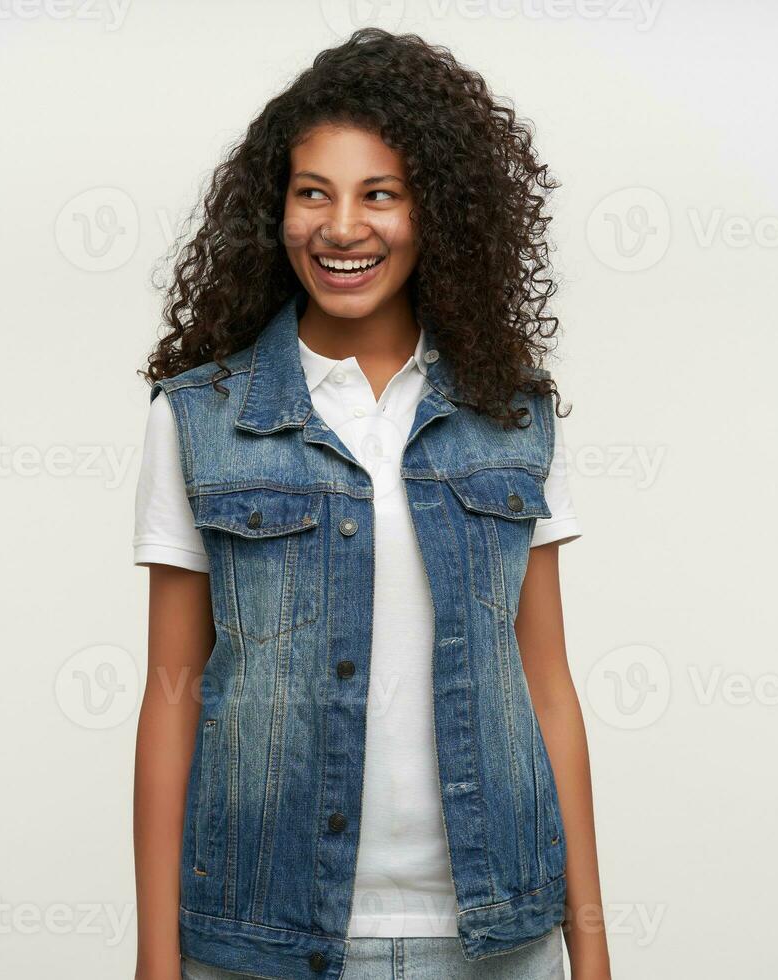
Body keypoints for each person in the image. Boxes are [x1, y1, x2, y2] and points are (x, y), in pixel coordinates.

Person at [130, 28, 612, 980]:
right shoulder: (200, 417)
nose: (341, 226)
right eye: (313, 193)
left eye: (378, 194)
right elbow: (171, 696)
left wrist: (588, 948)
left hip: (497, 933)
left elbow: (546, 686)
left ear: (437, 213)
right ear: (276, 214)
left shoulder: (513, 416)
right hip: (260, 938)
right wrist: (156, 959)